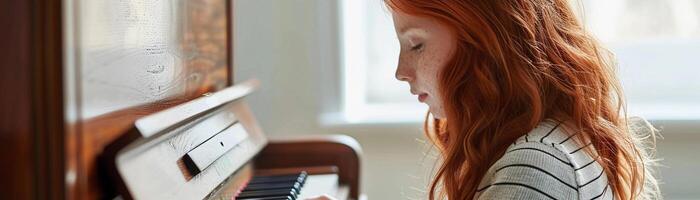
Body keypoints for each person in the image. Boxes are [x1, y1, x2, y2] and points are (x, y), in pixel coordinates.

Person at [311, 0, 660, 199]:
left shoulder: (534, 166)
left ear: (487, 41)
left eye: (416, 44)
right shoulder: (554, 137)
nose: (401, 71)